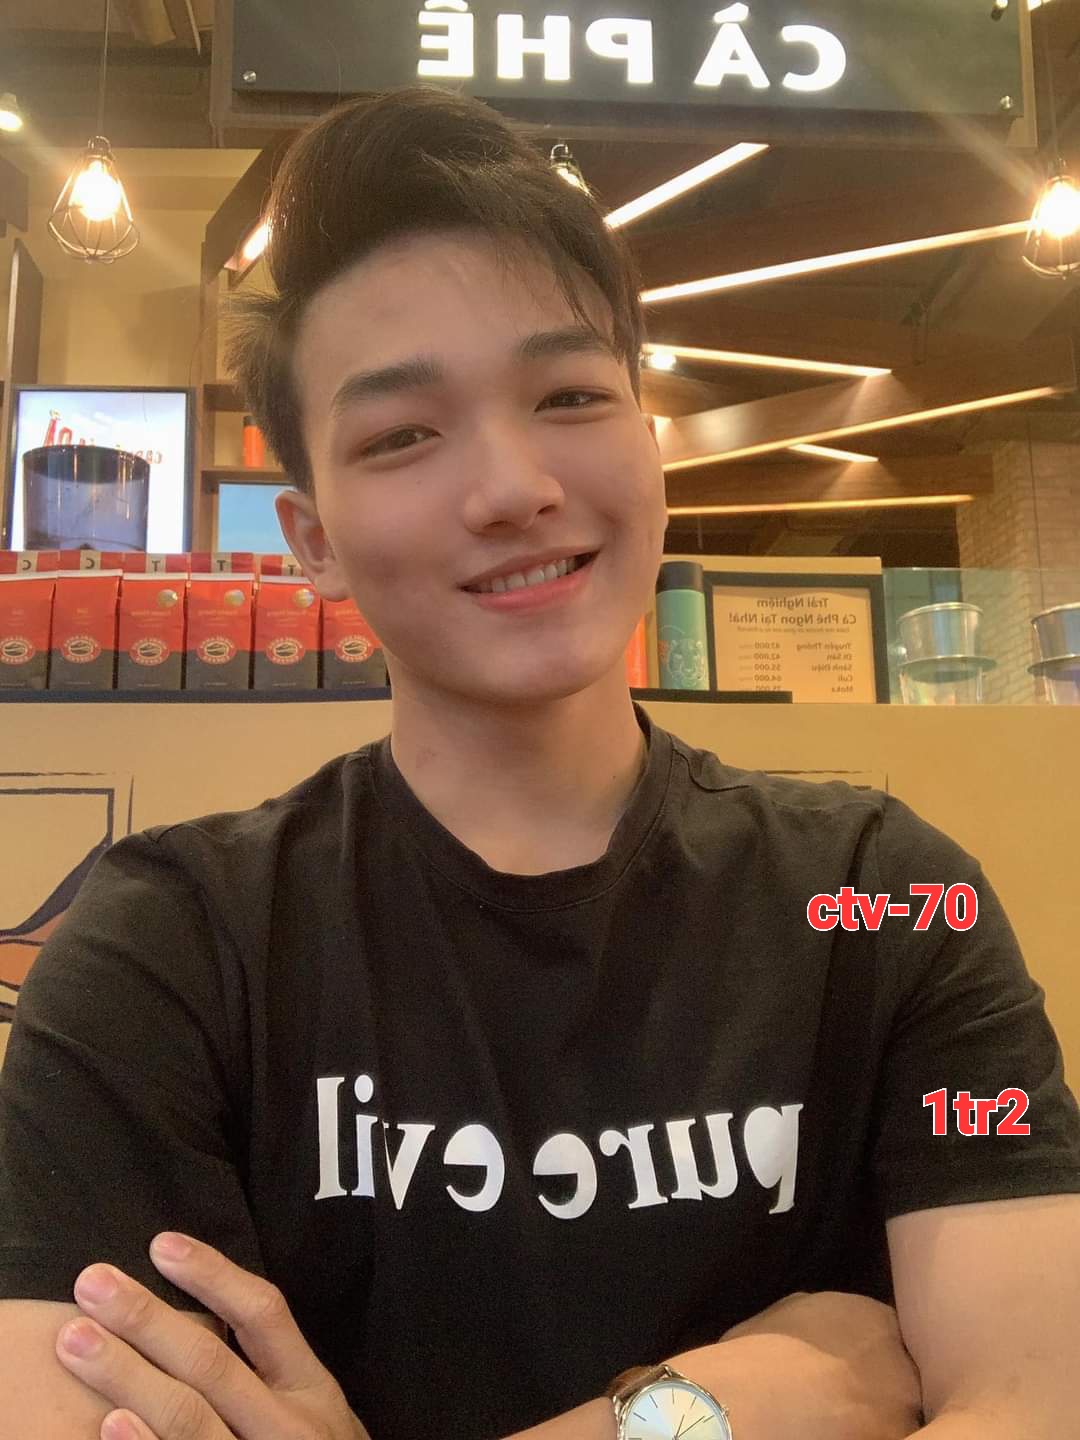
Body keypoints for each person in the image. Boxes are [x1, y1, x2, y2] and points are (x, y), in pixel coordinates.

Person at [2, 85, 1079, 1440]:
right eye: (402, 434)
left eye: (569, 395)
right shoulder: (168, 947)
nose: (512, 486)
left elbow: (1038, 1403)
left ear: (651, 443)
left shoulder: (891, 900)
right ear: (313, 539)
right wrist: (705, 1413)